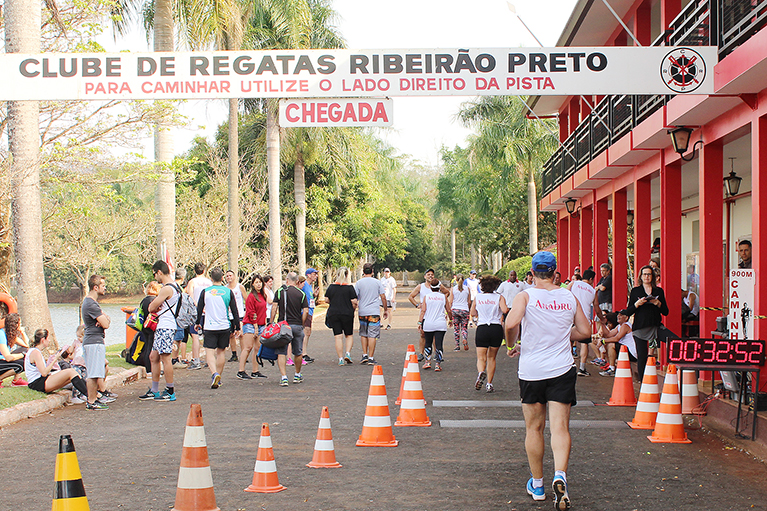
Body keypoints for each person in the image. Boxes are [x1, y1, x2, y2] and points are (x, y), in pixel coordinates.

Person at [505, 251, 591, 509]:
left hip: (532, 370)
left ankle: (538, 484)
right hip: (562, 369)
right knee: (560, 428)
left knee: (534, 428)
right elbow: (586, 331)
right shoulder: (568, 295)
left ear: (531, 274)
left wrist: (512, 344)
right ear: (555, 273)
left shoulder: (525, 295)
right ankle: (560, 475)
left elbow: (511, 324)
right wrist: (565, 336)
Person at [140, 260, 179, 402]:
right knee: (153, 356)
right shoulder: (175, 287)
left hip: (166, 326)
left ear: (160, 272)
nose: (155, 277)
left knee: (165, 358)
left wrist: (155, 305)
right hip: (165, 325)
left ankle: (170, 390)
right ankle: (155, 390)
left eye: (155, 274)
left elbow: (151, 307)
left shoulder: (167, 288)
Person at [196, 268, 240, 389]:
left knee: (209, 352)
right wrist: (237, 326)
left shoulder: (205, 292)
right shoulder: (228, 291)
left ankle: (214, 373)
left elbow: (199, 309)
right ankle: (218, 377)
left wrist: (197, 322)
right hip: (224, 326)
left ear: (211, 278)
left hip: (210, 326)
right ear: (222, 278)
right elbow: (234, 310)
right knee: (221, 352)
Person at [623, 265, 669, 382]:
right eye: (645, 274)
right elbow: (628, 311)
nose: (647, 277)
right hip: (640, 327)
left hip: (656, 325)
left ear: (653, 277)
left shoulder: (659, 291)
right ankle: (643, 382)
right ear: (641, 276)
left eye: (649, 274)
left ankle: (675, 371)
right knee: (642, 356)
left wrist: (657, 303)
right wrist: (637, 304)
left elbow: (666, 312)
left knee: (674, 340)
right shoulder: (635, 291)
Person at [469, 274, 508, 393]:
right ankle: (489, 384)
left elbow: (473, 312)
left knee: (481, 357)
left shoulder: (478, 297)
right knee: (492, 357)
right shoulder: (499, 297)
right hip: (496, 328)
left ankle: (481, 373)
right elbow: (505, 310)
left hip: (482, 327)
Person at [24, 328, 90, 398]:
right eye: (48, 339)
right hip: (38, 383)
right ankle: (91, 397)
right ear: (43, 340)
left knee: (74, 375)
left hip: (41, 381)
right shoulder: (35, 352)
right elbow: (44, 373)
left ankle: (90, 394)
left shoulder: (34, 351)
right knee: (71, 372)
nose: (49, 341)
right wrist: (55, 359)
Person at [271, 272, 309, 387]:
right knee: (298, 352)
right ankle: (297, 374)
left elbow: (274, 308)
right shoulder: (301, 293)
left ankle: (284, 377)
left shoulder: (279, 292)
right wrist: (301, 323)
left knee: (281, 352)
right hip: (296, 325)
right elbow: (306, 311)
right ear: (297, 281)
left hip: (283, 326)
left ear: (287, 280)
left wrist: (271, 322)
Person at [567, 269, 605, 376]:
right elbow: (597, 308)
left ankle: (569, 365)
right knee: (584, 344)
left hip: (570, 316)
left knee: (568, 340)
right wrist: (602, 318)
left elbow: (564, 293)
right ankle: (582, 368)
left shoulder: (573, 283)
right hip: (584, 320)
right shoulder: (593, 291)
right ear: (591, 279)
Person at [81, 274, 111, 410]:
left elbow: (106, 320)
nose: (105, 288)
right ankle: (91, 401)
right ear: (95, 287)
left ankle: (93, 399)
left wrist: (104, 319)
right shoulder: (90, 303)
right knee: (93, 374)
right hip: (93, 341)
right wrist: (103, 319)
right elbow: (106, 323)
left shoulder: (92, 303)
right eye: (103, 285)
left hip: (96, 340)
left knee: (96, 373)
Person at [408, 268, 449, 361]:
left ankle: (436, 354)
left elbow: (447, 292)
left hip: (437, 314)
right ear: (425, 276)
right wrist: (417, 304)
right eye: (428, 274)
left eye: (432, 274)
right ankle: (422, 353)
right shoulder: (421, 286)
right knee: (423, 335)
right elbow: (410, 296)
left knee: (436, 335)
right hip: (425, 314)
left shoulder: (438, 285)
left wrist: (443, 300)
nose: (430, 276)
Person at [354, 263, 388, 365]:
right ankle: (371, 357)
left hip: (363, 311)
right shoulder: (377, 283)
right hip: (374, 312)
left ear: (363, 272)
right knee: (372, 335)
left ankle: (364, 355)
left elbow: (355, 298)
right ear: (372, 271)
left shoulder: (359, 283)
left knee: (363, 333)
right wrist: (385, 309)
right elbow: (383, 297)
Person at [325, 267, 358, 366]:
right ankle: (347, 353)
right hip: (347, 313)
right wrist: (353, 309)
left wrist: (334, 301)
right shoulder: (349, 288)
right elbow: (354, 301)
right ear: (347, 275)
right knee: (349, 335)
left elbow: (326, 300)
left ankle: (340, 359)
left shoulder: (331, 287)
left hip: (334, 313)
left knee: (338, 337)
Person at [238, 275, 268, 379]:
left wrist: (264, 324)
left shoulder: (263, 295)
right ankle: (241, 370)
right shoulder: (251, 296)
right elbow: (251, 312)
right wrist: (255, 326)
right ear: (252, 284)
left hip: (261, 325)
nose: (259, 284)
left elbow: (264, 311)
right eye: (256, 282)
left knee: (258, 348)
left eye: (260, 282)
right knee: (248, 347)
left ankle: (255, 370)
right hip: (250, 324)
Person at [418, 278, 452, 371]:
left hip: (428, 323)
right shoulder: (443, 297)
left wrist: (420, 322)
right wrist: (451, 319)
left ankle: (427, 362)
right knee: (439, 343)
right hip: (440, 324)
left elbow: (423, 311)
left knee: (428, 343)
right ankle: (437, 364)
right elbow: (448, 310)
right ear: (439, 287)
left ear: (430, 287)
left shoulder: (427, 297)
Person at [184, 263, 212, 370]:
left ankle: (196, 361)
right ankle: (209, 360)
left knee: (195, 336)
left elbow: (190, 297)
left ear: (195, 271)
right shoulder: (209, 282)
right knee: (207, 336)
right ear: (204, 270)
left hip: (195, 312)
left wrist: (199, 307)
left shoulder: (192, 282)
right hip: (207, 312)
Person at [597, 311, 638, 377]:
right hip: (624, 350)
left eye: (621, 315)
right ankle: (610, 365)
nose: (618, 316)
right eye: (618, 315)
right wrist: (603, 324)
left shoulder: (626, 325)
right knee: (608, 343)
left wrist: (603, 341)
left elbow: (616, 338)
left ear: (626, 318)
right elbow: (608, 334)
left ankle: (612, 369)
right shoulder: (619, 326)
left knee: (611, 345)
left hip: (631, 353)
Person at [0, 313, 29, 386]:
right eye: (20, 323)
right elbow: (8, 358)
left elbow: (28, 346)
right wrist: (23, 354)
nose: (21, 325)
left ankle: (17, 380)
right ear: (15, 324)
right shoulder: (1, 334)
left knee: (26, 352)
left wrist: (22, 332)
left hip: (3, 361)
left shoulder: (10, 334)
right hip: (2, 361)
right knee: (22, 364)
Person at [497, 270, 525, 345]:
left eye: (514, 275)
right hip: (507, 306)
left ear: (516, 276)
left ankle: (519, 339)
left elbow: (525, 293)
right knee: (505, 323)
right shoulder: (504, 284)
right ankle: (504, 339)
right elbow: (498, 293)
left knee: (518, 323)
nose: (512, 277)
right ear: (509, 276)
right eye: (511, 275)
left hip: (517, 306)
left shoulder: (521, 284)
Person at [225, 269, 247, 363]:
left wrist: (247, 311)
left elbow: (246, 299)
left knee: (241, 334)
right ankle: (234, 354)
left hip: (240, 314)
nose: (229, 277)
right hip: (229, 315)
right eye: (227, 276)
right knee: (231, 335)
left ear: (234, 277)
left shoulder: (240, 287)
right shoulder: (225, 288)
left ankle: (243, 354)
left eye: (230, 275)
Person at [171, 268, 190, 368]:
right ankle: (174, 359)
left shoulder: (177, 288)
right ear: (183, 277)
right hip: (177, 317)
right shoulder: (175, 288)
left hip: (178, 317)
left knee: (178, 339)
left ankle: (175, 358)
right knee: (176, 339)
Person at [301, 268, 319, 364]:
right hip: (305, 311)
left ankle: (304, 352)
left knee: (308, 332)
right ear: (308, 275)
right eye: (314, 274)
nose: (316, 276)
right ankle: (303, 353)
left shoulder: (309, 286)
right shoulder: (304, 285)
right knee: (306, 331)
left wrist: (314, 295)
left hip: (310, 311)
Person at [449, 274, 472, 351]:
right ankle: (464, 338)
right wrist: (467, 310)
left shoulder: (453, 289)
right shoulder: (467, 289)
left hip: (455, 309)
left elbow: (451, 301)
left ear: (456, 280)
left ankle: (457, 345)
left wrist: (448, 312)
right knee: (464, 327)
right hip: (464, 310)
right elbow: (469, 302)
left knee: (456, 328)